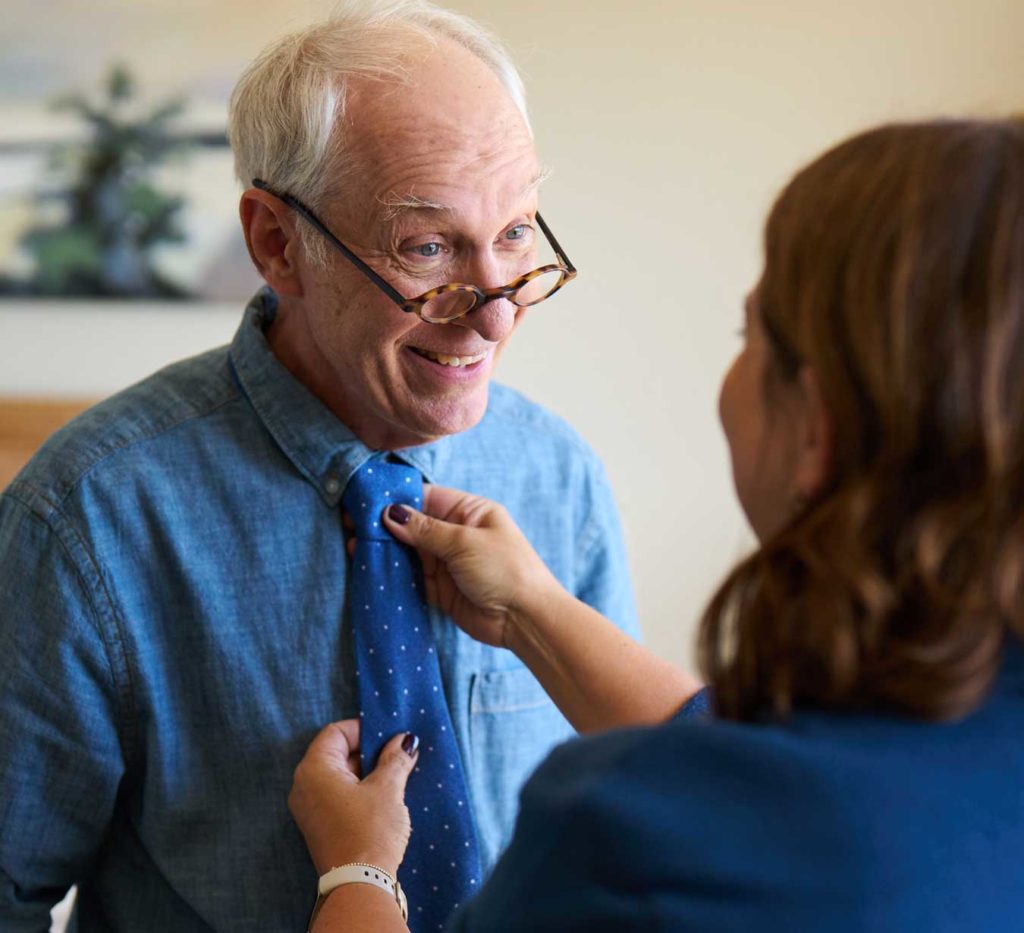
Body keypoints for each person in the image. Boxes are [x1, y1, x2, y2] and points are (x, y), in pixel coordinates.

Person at [0, 3, 647, 930]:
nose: (497, 315)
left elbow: (623, 818)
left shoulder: (560, 478)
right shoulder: (88, 517)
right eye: (427, 248)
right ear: (275, 243)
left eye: (515, 233)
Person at [288, 116, 1024, 932]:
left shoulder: (629, 837)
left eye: (753, 333)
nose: (495, 317)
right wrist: (533, 608)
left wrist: (357, 869)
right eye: (428, 245)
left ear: (814, 425)